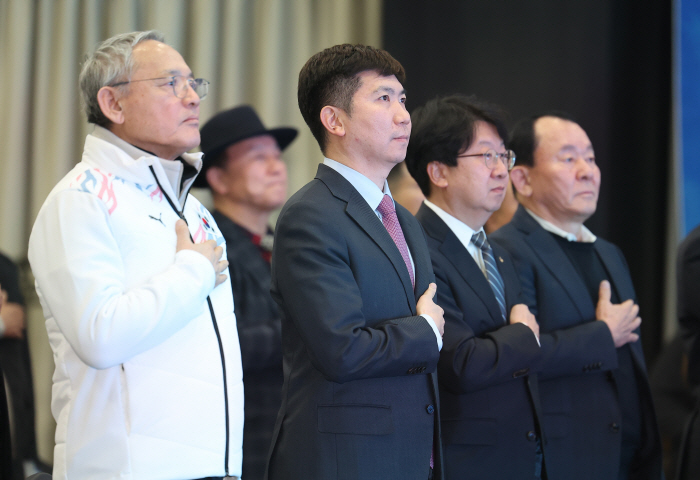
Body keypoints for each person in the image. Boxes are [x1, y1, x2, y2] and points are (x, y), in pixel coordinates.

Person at [27, 31, 244, 480]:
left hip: (212, 466)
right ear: (113, 104)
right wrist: (193, 271)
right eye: (170, 84)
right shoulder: (80, 198)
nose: (192, 99)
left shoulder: (194, 208)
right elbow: (99, 335)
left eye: (193, 83)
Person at [265, 44, 445, 480]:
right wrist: (424, 331)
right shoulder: (310, 214)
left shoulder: (404, 218)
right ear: (334, 120)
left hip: (412, 455)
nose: (404, 115)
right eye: (384, 98)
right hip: (346, 460)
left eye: (402, 99)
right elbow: (342, 350)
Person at [490, 113, 663, 479]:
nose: (588, 171)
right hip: (566, 458)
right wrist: (602, 336)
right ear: (522, 178)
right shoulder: (506, 250)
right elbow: (518, 356)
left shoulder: (608, 252)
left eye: (591, 158)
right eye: (569, 159)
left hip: (631, 455)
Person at [405, 94, 544, 479]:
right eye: (486, 157)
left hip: (518, 452)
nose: (501, 171)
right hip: (464, 462)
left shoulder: (496, 250)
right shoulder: (418, 249)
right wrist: (522, 335)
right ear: (439, 172)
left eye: (505, 156)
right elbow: (459, 364)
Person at [195, 105, 297, 480]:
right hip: (242, 437)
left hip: (290, 434)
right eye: (259, 158)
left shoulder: (283, 244)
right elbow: (221, 340)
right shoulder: (208, 245)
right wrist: (311, 328)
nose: (276, 166)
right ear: (219, 179)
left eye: (277, 156)